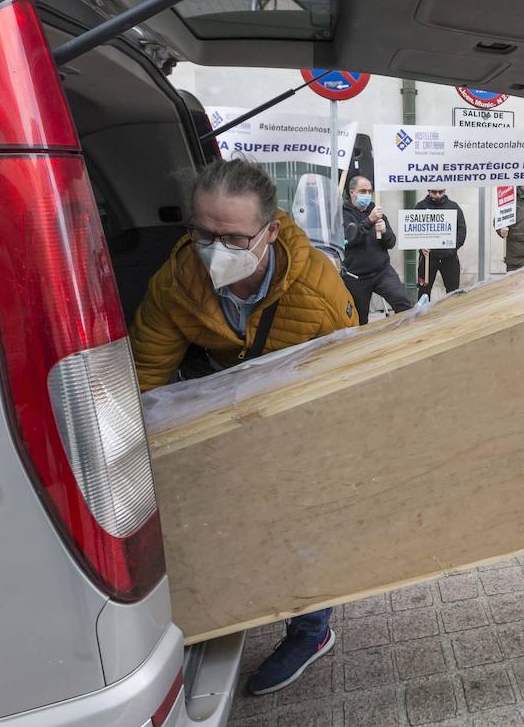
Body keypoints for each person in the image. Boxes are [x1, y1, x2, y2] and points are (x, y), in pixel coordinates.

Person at [129, 158, 357, 696]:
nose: (214, 251)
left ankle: (311, 629)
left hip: (294, 416)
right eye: (203, 233)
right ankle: (214, 610)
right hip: (218, 407)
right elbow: (148, 374)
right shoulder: (179, 279)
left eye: (232, 238)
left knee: (298, 522)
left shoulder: (319, 295)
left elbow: (345, 387)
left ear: (270, 231)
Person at [342, 175, 412, 324]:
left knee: (404, 304)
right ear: (352, 192)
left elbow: (391, 242)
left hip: (382, 272)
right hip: (357, 277)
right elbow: (351, 239)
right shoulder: (343, 214)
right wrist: (369, 221)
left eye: (369, 191)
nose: (367, 195)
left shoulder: (377, 212)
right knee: (359, 320)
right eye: (363, 191)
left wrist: (385, 232)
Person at [413, 188, 467, 299]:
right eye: (434, 192)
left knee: (453, 292)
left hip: (449, 258)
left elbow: (461, 231)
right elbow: (413, 231)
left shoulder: (453, 207)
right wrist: (420, 246)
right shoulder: (421, 207)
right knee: (424, 292)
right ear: (428, 191)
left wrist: (452, 247)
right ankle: (423, 315)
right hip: (428, 258)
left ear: (445, 191)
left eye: (440, 192)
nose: (437, 195)